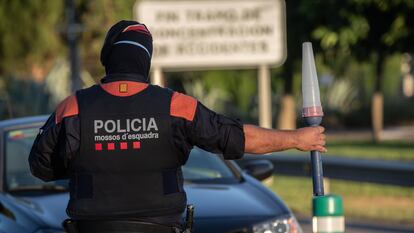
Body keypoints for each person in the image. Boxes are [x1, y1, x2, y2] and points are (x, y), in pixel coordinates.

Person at [29, 20, 326, 233]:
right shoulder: (176, 106)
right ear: (145, 61)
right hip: (162, 226)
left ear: (108, 58)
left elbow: (40, 165)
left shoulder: (73, 107)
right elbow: (239, 138)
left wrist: (88, 163)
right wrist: (299, 138)